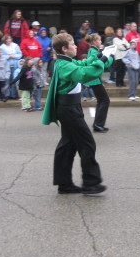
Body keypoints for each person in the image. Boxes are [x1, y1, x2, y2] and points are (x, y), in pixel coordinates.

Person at [41, 32, 109, 195]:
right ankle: (90, 183)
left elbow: (84, 64)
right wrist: (102, 60)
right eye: (72, 44)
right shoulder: (64, 65)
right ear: (64, 49)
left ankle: (64, 184)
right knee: (87, 143)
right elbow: (84, 74)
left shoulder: (66, 62)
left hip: (70, 107)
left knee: (68, 145)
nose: (76, 46)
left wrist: (104, 56)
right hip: (69, 109)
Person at [84, 33, 114, 132]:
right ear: (94, 42)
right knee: (105, 100)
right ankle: (98, 124)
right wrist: (111, 55)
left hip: (95, 79)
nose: (101, 42)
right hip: (95, 80)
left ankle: (97, 124)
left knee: (101, 101)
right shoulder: (93, 51)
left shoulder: (93, 50)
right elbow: (104, 64)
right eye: (99, 40)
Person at [0, 35, 23, 99]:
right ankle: (6, 94)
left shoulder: (15, 46)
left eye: (10, 39)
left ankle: (13, 94)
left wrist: (14, 56)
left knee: (14, 80)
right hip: (6, 66)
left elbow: (20, 54)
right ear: (5, 40)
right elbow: (1, 56)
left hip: (15, 66)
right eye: (7, 39)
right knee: (7, 80)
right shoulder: (2, 47)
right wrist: (8, 56)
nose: (9, 40)